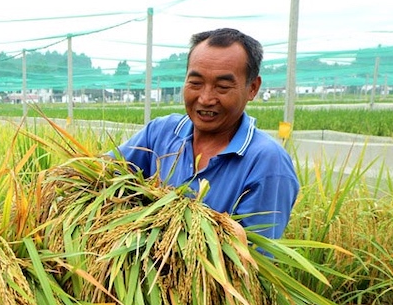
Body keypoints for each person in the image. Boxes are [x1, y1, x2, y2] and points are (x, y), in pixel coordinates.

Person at [113, 28, 299, 241]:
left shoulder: (267, 162)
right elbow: (102, 173)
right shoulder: (160, 133)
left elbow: (250, 260)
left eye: (222, 86)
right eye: (196, 83)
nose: (205, 98)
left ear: (253, 88)